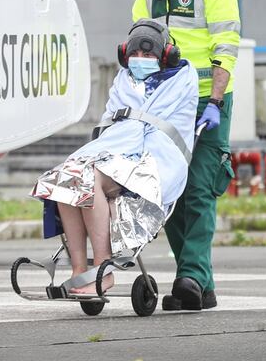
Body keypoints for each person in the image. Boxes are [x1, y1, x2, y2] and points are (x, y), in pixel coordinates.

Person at [31, 20, 198, 294]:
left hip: (155, 158)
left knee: (87, 176)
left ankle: (103, 270)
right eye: (135, 54)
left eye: (148, 55)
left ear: (165, 57)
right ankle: (78, 270)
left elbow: (151, 129)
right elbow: (113, 125)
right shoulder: (124, 80)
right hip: (116, 152)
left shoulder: (181, 80)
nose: (140, 60)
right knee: (64, 177)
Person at [132, 0, 241, 311]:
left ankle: (190, 276)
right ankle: (199, 286)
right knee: (170, 193)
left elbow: (226, 47)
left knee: (199, 189)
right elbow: (142, 39)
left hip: (206, 102)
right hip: (164, 103)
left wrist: (215, 100)